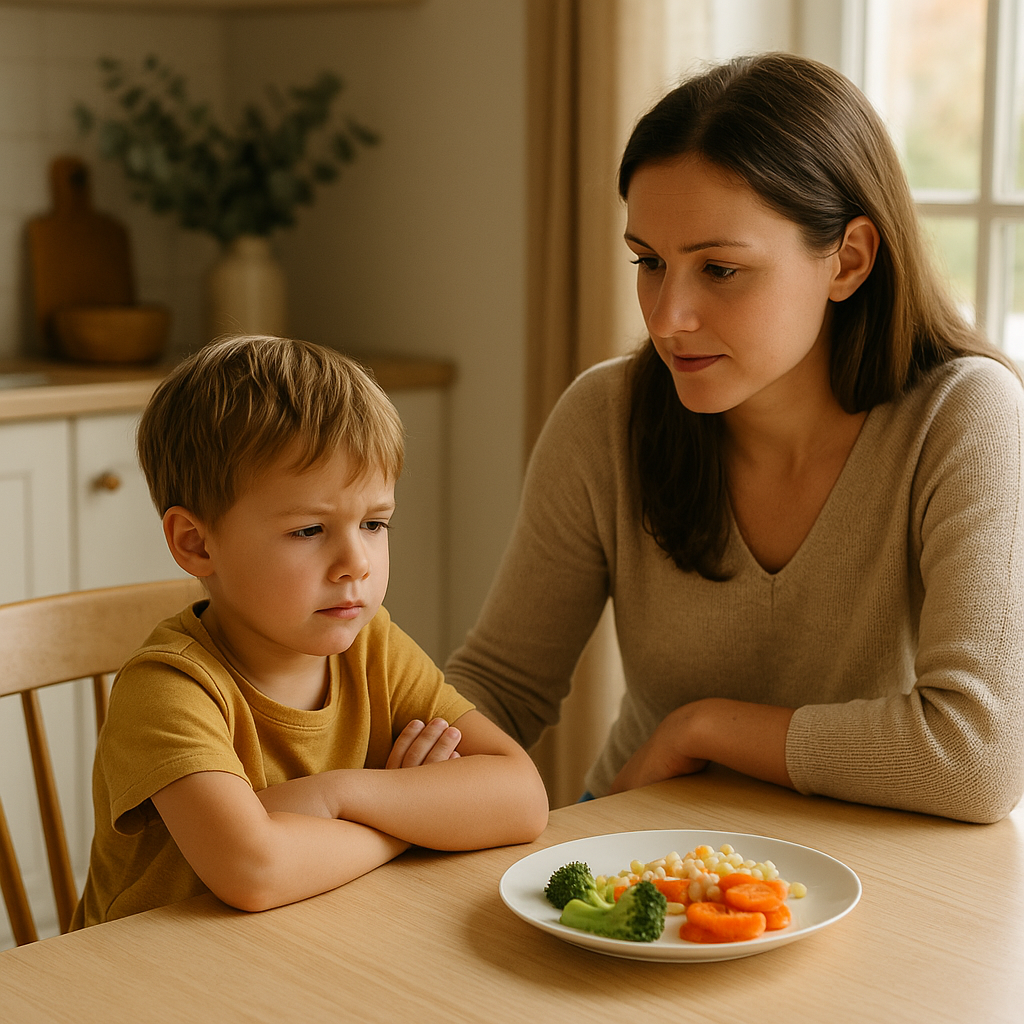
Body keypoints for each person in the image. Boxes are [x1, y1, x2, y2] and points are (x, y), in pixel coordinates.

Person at [444, 52, 1024, 824]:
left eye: (719, 269)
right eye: (648, 262)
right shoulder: (603, 417)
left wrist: (704, 727)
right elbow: (503, 687)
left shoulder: (965, 419)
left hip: (886, 877)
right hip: (646, 850)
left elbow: (977, 759)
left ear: (848, 260)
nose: (665, 316)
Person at [72, 335, 548, 928]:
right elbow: (256, 870)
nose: (358, 562)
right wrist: (409, 820)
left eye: (375, 523)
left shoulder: (372, 647)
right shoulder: (168, 691)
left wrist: (340, 797)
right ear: (195, 543)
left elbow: (523, 798)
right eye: (308, 531)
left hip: (302, 952)